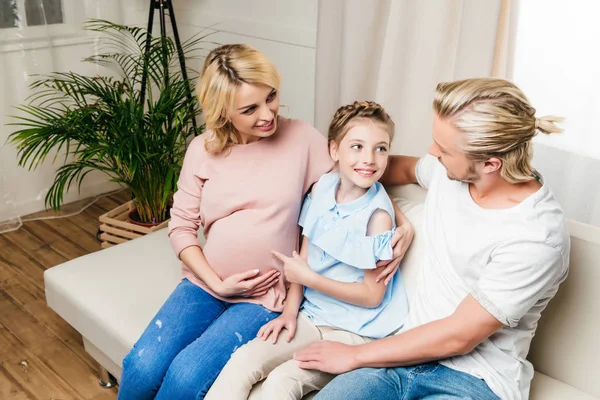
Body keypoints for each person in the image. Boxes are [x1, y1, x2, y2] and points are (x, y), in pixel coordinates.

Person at [117, 44, 414, 400]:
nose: (268, 114)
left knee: (186, 375)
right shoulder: (202, 149)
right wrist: (217, 282)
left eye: (271, 97)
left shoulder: (301, 139)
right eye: (250, 109)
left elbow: (362, 167)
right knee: (141, 365)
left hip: (263, 297)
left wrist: (402, 219)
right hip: (204, 283)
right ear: (222, 112)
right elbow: (180, 228)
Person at [293, 78, 570, 400]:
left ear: (490, 164)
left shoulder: (536, 238)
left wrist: (353, 356)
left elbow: (459, 336)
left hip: (472, 380)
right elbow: (377, 169)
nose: (431, 152)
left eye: (443, 149)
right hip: (393, 358)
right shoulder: (448, 170)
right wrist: (396, 215)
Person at [206, 101, 410, 400]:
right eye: (357, 146)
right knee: (242, 362)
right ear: (333, 151)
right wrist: (289, 312)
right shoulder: (322, 188)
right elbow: (303, 258)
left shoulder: (378, 218)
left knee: (281, 382)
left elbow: (372, 295)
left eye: (381, 148)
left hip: (355, 329)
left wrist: (310, 279)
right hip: (313, 314)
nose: (369, 159)